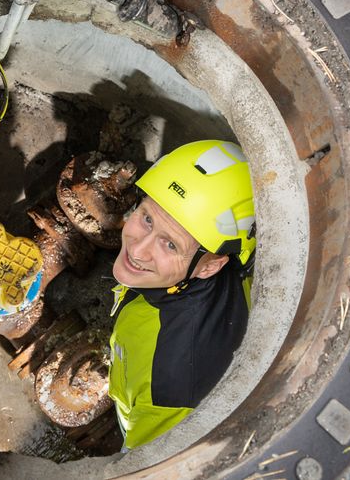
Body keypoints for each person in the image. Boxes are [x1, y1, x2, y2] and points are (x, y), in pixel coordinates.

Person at [108, 140, 256, 450]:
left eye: (170, 244)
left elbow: (143, 464)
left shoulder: (172, 390)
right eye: (147, 218)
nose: (137, 249)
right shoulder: (226, 258)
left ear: (210, 266)